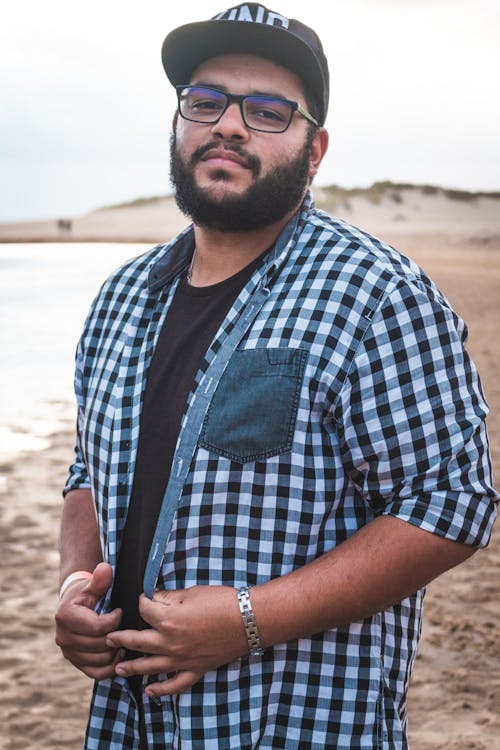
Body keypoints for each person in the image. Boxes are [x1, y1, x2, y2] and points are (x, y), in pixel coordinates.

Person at [55, 4, 498, 748]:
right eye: (206, 101)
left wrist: (248, 622)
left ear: (315, 149)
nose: (229, 124)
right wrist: (74, 583)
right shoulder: (121, 298)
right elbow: (87, 469)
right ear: (179, 123)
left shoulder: (376, 294)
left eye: (267, 111)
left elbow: (453, 503)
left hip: (289, 725)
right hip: (128, 725)